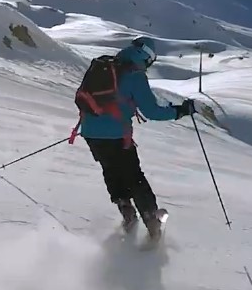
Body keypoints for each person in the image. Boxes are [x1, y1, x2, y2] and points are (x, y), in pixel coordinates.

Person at [76, 37, 195, 241]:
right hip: (116, 134)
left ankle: (126, 209)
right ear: (147, 57)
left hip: (90, 131)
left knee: (110, 168)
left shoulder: (105, 65)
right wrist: (180, 111)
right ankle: (151, 221)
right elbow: (152, 111)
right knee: (133, 175)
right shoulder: (134, 75)